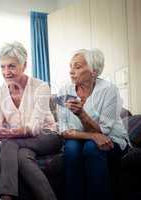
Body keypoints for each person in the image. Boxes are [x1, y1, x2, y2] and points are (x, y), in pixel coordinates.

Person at [0, 41, 62, 200]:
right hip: (22, 142)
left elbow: (35, 127)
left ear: (24, 65)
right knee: (21, 157)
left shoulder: (41, 87)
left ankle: (7, 196)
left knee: (9, 142)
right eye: (3, 66)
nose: (6, 72)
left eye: (12, 66)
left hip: (47, 136)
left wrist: (7, 133)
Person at [58, 48, 129, 200]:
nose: (71, 71)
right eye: (70, 67)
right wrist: (91, 136)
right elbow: (63, 130)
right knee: (71, 147)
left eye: (77, 67)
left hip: (112, 139)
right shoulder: (64, 90)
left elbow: (104, 132)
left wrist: (82, 114)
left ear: (94, 71)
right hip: (79, 139)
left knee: (92, 147)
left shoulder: (109, 90)